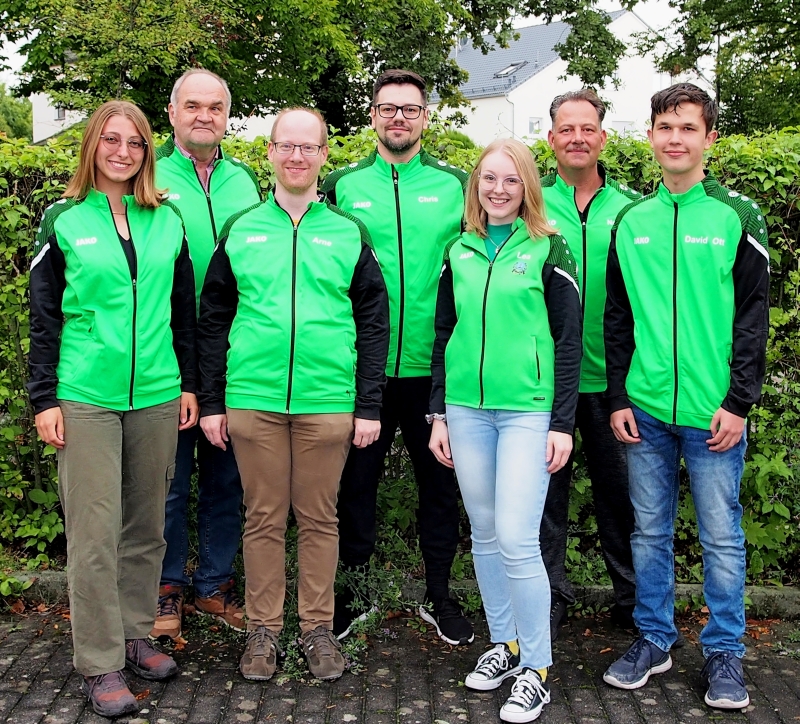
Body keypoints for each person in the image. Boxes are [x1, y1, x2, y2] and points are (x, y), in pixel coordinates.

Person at [197, 107, 389, 683]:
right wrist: (212, 401)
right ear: (271, 152)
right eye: (287, 146)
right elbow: (213, 318)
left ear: (324, 155)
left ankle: (316, 630)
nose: (297, 156)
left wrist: (368, 404)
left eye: (308, 147)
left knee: (319, 518)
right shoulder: (242, 228)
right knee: (262, 518)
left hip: (327, 400)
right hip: (252, 399)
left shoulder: (349, 231)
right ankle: (262, 631)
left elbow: (373, 321)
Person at [602, 83, 770, 709]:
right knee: (648, 532)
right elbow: (617, 317)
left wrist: (739, 402)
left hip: (713, 413)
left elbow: (753, 317)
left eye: (688, 128)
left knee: (721, 537)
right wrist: (618, 396)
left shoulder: (736, 216)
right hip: (645, 407)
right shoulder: (631, 221)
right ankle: (655, 638)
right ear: (650, 135)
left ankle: (725, 652)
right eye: (665, 127)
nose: (675, 138)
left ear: (709, 138)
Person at [28, 100, 197, 717]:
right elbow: (43, 315)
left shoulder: (168, 220)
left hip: (157, 392)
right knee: (95, 534)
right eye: (111, 140)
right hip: (85, 395)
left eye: (135, 142)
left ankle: (134, 633)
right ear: (93, 145)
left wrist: (188, 384)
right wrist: (44, 398)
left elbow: (182, 312)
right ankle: (99, 662)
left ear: (147, 151)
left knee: (146, 526)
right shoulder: (64, 219)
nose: (123, 152)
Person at [429, 138, 582, 723]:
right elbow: (444, 332)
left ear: (527, 188)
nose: (498, 189)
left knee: (518, 539)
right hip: (467, 410)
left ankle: (536, 669)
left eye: (511, 180)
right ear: (477, 184)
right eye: (489, 178)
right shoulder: (459, 248)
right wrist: (439, 413)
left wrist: (561, 423)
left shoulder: (549, 247)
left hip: (528, 412)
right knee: (487, 535)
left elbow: (568, 342)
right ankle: (507, 643)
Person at [322, 69, 473, 645]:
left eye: (410, 109)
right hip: (363, 368)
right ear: (373, 116)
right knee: (355, 487)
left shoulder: (457, 185)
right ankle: (355, 593)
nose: (399, 118)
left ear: (425, 117)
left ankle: (439, 594)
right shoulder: (340, 186)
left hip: (436, 367)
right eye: (388, 108)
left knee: (440, 487)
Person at [152, 68, 262, 639]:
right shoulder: (148, 175)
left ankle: (214, 585)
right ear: (172, 113)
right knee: (168, 482)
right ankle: (165, 588)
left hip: (233, 351)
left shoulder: (245, 180)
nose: (204, 115)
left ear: (226, 117)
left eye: (215, 107)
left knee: (227, 477)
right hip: (166, 348)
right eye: (192, 105)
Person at [539, 89, 640, 640]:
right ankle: (550, 598)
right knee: (545, 503)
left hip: (615, 384)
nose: (576, 138)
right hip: (543, 385)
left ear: (602, 137)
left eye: (587, 128)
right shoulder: (529, 204)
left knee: (622, 502)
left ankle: (632, 603)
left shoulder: (631, 209)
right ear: (551, 138)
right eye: (566, 128)